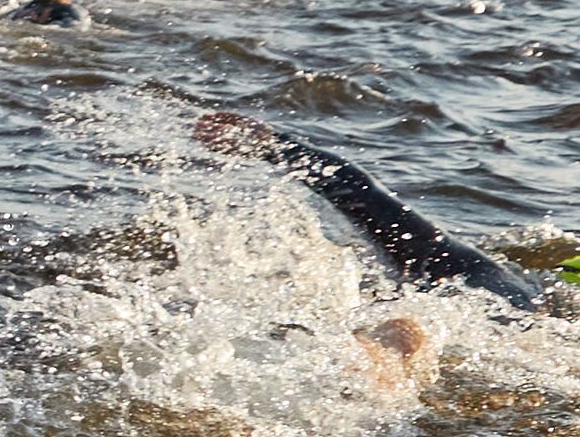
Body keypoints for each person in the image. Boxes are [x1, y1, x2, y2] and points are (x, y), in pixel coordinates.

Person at [197, 111, 568, 389]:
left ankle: (384, 350)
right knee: (421, 329)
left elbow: (358, 191)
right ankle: (387, 351)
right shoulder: (523, 301)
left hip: (471, 299)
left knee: (413, 322)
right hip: (507, 329)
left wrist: (273, 143)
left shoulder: (451, 261)